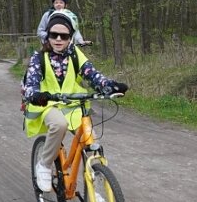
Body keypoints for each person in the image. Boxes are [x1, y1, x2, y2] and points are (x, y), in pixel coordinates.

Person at [23, 11, 128, 192]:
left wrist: (110, 86)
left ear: (70, 38)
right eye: (53, 35)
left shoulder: (75, 55)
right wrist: (37, 94)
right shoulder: (38, 58)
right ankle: (44, 165)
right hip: (48, 105)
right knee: (59, 125)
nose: (58, 39)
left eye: (63, 36)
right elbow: (30, 83)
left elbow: (93, 75)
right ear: (47, 36)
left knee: (91, 142)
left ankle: (96, 195)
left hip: (74, 105)